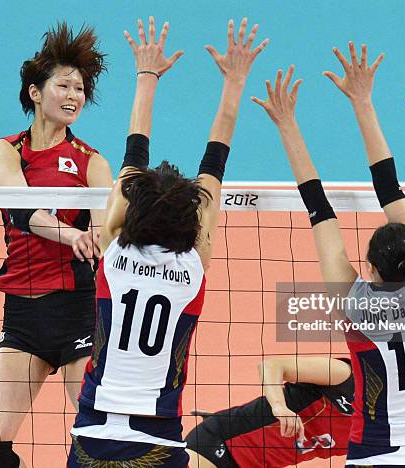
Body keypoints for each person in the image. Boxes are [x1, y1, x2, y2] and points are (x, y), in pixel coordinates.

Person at [67, 17, 268, 467]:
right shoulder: (192, 269)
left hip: (90, 441)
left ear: (131, 211)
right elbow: (214, 164)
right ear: (195, 222)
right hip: (159, 444)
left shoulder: (113, 256)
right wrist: (235, 81)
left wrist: (146, 74)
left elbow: (132, 158)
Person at [252, 44, 405, 467]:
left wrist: (287, 124)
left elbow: (318, 208)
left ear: (369, 268)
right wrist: (364, 101)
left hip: (375, 453)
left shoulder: (355, 303)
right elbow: (390, 187)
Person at [0, 23, 113, 467]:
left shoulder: (92, 162)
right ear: (35, 92)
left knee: (102, 435)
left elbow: (106, 230)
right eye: (64, 85)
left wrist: (99, 236)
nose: (75, 95)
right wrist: (71, 234)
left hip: (78, 311)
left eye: (81, 88)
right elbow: (19, 210)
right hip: (23, 316)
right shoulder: (7, 150)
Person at [185, 356, 354, 467]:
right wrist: (279, 406)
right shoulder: (347, 377)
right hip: (220, 442)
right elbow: (271, 366)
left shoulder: (377, 434)